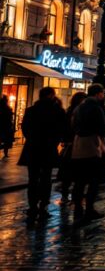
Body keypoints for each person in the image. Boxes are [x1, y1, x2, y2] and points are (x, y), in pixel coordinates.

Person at [18, 87, 66, 223]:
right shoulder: (57, 111)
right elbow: (62, 130)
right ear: (51, 95)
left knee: (32, 179)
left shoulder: (31, 110)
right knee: (46, 178)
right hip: (48, 149)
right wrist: (54, 141)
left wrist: (32, 138)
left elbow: (25, 128)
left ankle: (32, 206)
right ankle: (43, 207)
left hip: (32, 148)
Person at [71, 84, 105, 220]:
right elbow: (100, 128)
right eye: (103, 93)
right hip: (91, 145)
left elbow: (73, 125)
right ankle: (89, 209)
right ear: (98, 94)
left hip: (79, 144)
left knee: (79, 180)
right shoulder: (96, 108)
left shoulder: (79, 107)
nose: (103, 96)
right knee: (93, 180)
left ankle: (77, 208)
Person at [59, 92, 86, 202]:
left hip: (71, 143)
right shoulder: (79, 112)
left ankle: (66, 194)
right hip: (75, 144)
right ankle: (74, 194)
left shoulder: (70, 110)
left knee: (68, 171)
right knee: (75, 170)